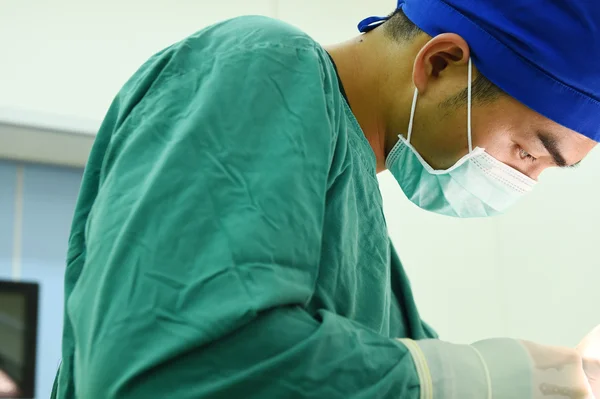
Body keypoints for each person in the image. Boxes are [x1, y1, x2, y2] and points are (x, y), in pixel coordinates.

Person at [51, 0, 600, 397]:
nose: (523, 183)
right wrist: (484, 376)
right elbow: (166, 367)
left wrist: (565, 379)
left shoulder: (361, 234)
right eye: (529, 152)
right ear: (439, 64)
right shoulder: (261, 63)